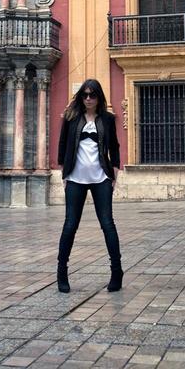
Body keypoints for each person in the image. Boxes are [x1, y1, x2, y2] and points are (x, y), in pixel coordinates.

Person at [57, 78, 123, 293]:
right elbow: (63, 144)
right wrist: (63, 172)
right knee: (70, 225)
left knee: (107, 224)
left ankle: (116, 271)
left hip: (100, 178)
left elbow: (114, 145)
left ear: (98, 97)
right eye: (84, 95)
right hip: (75, 178)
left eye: (92, 95)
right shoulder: (71, 118)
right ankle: (61, 272)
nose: (87, 99)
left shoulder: (107, 119)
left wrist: (114, 172)